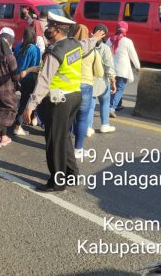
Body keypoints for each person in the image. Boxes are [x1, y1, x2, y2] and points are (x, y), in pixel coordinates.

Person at [23, 12, 104, 192]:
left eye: (50, 27)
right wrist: (96, 38)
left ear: (58, 30)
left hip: (58, 101)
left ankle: (57, 181)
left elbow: (44, 80)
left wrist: (30, 106)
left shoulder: (54, 52)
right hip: (74, 97)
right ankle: (71, 173)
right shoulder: (74, 44)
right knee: (64, 137)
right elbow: (87, 44)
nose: (47, 29)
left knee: (54, 141)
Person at [0, 31, 21, 147]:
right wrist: (25, 73)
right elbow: (15, 75)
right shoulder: (9, 57)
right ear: (9, 44)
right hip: (6, 90)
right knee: (11, 109)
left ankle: (4, 136)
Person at [71, 25, 99, 159]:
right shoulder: (92, 50)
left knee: (69, 118)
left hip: (71, 85)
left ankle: (64, 147)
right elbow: (99, 71)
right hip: (86, 85)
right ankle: (78, 149)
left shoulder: (70, 48)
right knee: (82, 119)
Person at [86, 24, 117, 136]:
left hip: (89, 80)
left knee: (90, 105)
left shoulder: (87, 45)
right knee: (105, 102)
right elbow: (109, 67)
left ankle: (88, 127)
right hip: (102, 81)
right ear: (104, 35)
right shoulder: (105, 48)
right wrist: (113, 81)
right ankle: (105, 125)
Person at [107, 21, 140, 118]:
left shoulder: (110, 40)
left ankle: (118, 105)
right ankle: (111, 108)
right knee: (120, 88)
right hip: (122, 69)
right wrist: (137, 66)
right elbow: (133, 55)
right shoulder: (127, 41)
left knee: (113, 88)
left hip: (111, 69)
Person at [13, 27, 41, 136]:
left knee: (20, 102)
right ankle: (18, 126)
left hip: (18, 77)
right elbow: (36, 66)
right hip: (29, 79)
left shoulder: (18, 46)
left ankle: (20, 121)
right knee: (25, 103)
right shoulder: (35, 49)